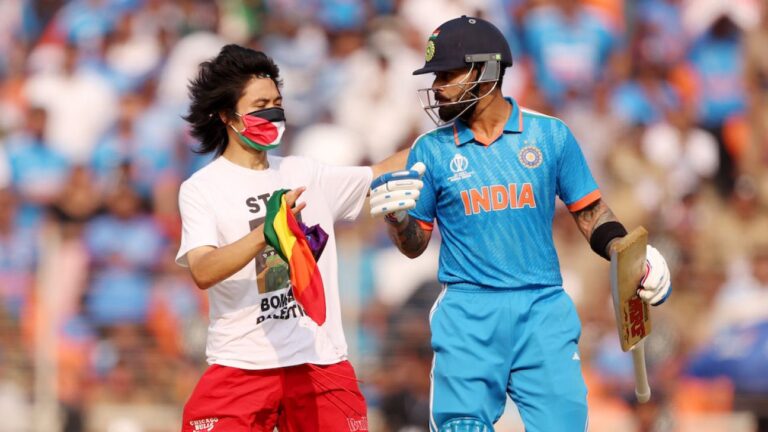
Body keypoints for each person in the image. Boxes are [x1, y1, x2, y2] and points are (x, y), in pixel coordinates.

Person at [369, 16, 672, 432]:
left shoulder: (551, 136)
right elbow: (414, 245)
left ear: (487, 71)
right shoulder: (431, 149)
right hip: (468, 311)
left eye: (447, 74)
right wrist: (399, 217)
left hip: (542, 309)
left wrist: (634, 255)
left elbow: (590, 213)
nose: (437, 86)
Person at [176, 44, 406, 431]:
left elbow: (380, 170)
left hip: (319, 363)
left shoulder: (307, 173)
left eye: (277, 102)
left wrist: (454, 137)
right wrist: (266, 235)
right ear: (226, 116)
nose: (272, 112)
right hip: (241, 365)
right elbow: (202, 269)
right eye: (259, 103)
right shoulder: (202, 188)